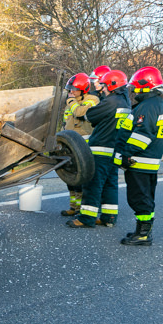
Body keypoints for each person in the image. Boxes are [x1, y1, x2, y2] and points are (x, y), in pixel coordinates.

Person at [113, 66, 163, 246]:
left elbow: (143, 135)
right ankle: (142, 231)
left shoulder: (148, 106)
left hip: (139, 161)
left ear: (146, 86)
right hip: (148, 161)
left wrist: (126, 153)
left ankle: (144, 235)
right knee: (145, 198)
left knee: (140, 198)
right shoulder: (156, 104)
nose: (134, 90)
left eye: (137, 87)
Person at [66, 69, 131, 228]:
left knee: (92, 184)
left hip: (101, 148)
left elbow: (90, 116)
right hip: (114, 149)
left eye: (104, 86)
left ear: (112, 86)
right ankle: (109, 218)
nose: (102, 89)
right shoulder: (125, 102)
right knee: (110, 185)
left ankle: (86, 219)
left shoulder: (111, 101)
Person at [60, 72, 100, 216]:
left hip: (84, 145)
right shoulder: (70, 103)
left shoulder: (92, 99)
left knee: (81, 178)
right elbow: (65, 123)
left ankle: (82, 208)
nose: (71, 92)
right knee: (70, 178)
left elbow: (80, 112)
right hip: (69, 145)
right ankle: (73, 207)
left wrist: (71, 101)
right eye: (69, 89)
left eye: (73, 89)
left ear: (83, 89)